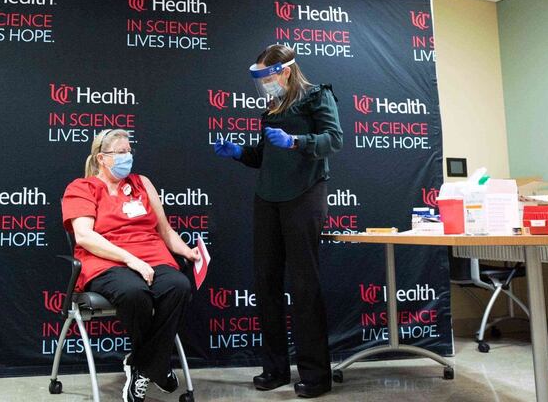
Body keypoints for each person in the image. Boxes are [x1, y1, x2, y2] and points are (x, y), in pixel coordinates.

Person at [213, 44, 343, 398]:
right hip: (268, 197)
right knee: (267, 283)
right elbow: (264, 155)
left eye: (267, 76)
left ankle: (316, 375)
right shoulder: (272, 106)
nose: (264, 85)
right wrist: (239, 152)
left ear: (285, 71)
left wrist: (296, 141)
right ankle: (275, 368)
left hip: (304, 195)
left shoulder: (318, 97)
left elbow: (334, 139)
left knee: (304, 286)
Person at [62, 129, 200, 402]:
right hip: (106, 261)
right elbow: (85, 236)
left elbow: (165, 230)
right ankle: (157, 366)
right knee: (134, 292)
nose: (128, 157)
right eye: (120, 152)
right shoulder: (82, 188)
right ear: (102, 158)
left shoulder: (142, 183)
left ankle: (142, 365)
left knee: (178, 286)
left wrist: (188, 252)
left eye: (129, 151)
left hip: (152, 255)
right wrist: (130, 260)